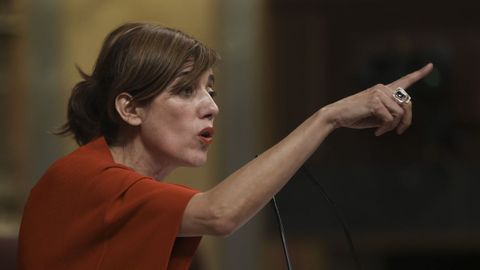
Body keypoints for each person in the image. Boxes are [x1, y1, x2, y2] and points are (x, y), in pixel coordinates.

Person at [17, 22, 433, 270]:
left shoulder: (136, 198)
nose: (211, 107)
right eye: (185, 91)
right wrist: (328, 117)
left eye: (209, 90)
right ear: (130, 109)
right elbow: (220, 213)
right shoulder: (81, 179)